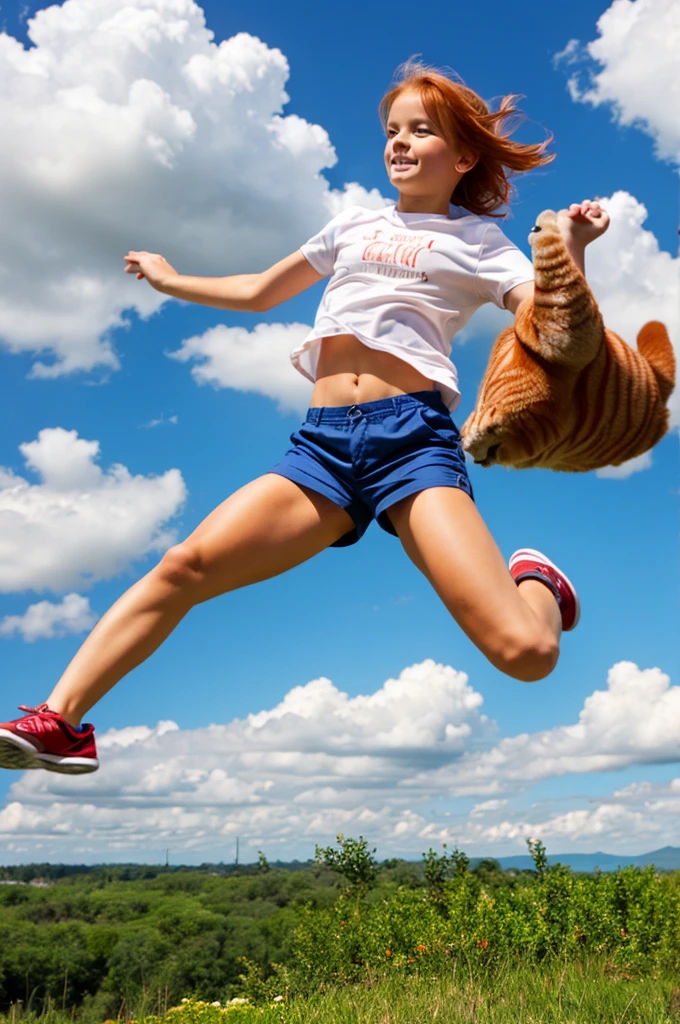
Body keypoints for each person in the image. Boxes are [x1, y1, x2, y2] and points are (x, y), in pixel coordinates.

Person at [0, 62, 609, 775]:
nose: (399, 144)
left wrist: (573, 251)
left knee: (527, 654)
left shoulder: (479, 244)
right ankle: (62, 722)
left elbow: (559, 327)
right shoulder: (352, 225)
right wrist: (171, 278)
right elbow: (260, 290)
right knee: (183, 566)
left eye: (421, 131)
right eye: (392, 132)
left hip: (412, 443)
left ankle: (537, 581)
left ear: (465, 155)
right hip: (320, 451)